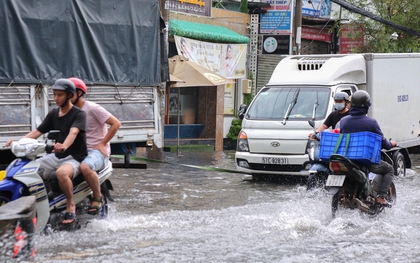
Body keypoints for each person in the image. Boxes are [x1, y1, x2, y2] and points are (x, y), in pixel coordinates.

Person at [6, 78, 87, 225]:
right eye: (54, 94)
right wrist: (19, 142)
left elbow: (73, 133)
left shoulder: (79, 114)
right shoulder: (53, 113)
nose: (55, 98)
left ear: (69, 95)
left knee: (62, 173)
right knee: (27, 170)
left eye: (60, 95)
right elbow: (37, 132)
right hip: (56, 155)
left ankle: (70, 204)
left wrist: (64, 145)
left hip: (74, 156)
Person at [69, 77, 121, 214]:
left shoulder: (92, 108)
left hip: (96, 152)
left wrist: (103, 144)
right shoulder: (69, 111)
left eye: (70, 93)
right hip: (78, 151)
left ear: (79, 93)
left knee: (85, 167)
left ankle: (97, 196)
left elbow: (116, 123)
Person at [339, 90, 397, 205]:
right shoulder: (371, 122)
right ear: (366, 106)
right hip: (365, 161)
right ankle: (381, 197)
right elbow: (383, 142)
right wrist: (391, 144)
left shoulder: (343, 121)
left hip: (348, 159)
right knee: (389, 169)